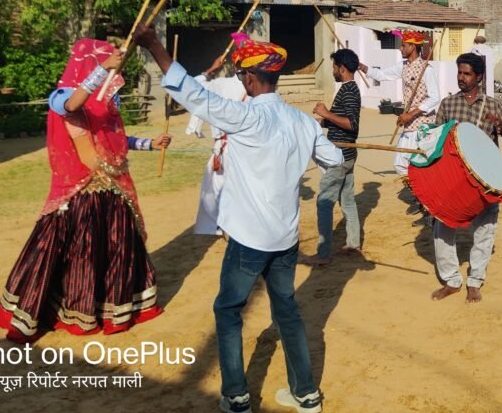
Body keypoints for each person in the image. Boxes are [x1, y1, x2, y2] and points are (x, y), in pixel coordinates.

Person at [134, 25, 343, 413]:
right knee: (288, 313)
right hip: (286, 239)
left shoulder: (245, 117)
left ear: (249, 78)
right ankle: (306, 394)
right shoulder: (303, 123)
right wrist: (312, 146)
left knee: (229, 312)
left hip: (249, 240)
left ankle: (236, 397)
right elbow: (334, 160)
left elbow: (190, 93)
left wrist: (153, 45)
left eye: (242, 75)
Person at [0, 39, 170, 342]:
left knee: (115, 251)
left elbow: (115, 138)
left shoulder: (105, 103)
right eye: (103, 64)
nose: (112, 74)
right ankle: (65, 311)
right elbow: (72, 105)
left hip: (111, 191)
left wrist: (149, 144)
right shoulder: (62, 96)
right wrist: (102, 70)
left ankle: (110, 310)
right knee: (79, 254)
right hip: (78, 195)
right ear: (88, 63)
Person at [430, 53, 502, 302]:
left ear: (478, 77)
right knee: (442, 228)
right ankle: (451, 280)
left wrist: (501, 127)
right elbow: (435, 139)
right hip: (452, 179)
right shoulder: (448, 104)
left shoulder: (492, 105)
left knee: (484, 231)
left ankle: (475, 281)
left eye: (466, 73)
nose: (461, 77)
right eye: (459, 72)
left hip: (483, 181)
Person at [303, 48, 363, 266]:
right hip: (345, 155)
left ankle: (323, 253)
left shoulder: (350, 91)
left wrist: (326, 113)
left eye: (334, 67)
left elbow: (351, 125)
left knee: (324, 202)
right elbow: (340, 120)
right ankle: (353, 243)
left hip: (340, 157)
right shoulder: (347, 89)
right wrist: (319, 122)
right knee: (347, 200)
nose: (332, 70)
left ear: (342, 68)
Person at [187, 45, 250, 235]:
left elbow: (193, 87)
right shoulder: (260, 88)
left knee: (218, 188)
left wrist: (211, 70)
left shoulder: (220, 85)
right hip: (247, 147)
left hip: (225, 146)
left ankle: (224, 225)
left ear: (234, 65)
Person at [359, 30, 440, 176]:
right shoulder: (402, 66)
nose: (400, 48)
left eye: (403, 45)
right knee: (401, 164)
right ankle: (416, 188)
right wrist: (362, 67)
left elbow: (434, 98)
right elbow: (381, 75)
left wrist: (411, 114)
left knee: (411, 164)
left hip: (422, 123)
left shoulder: (427, 69)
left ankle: (419, 189)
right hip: (408, 122)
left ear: (413, 47)